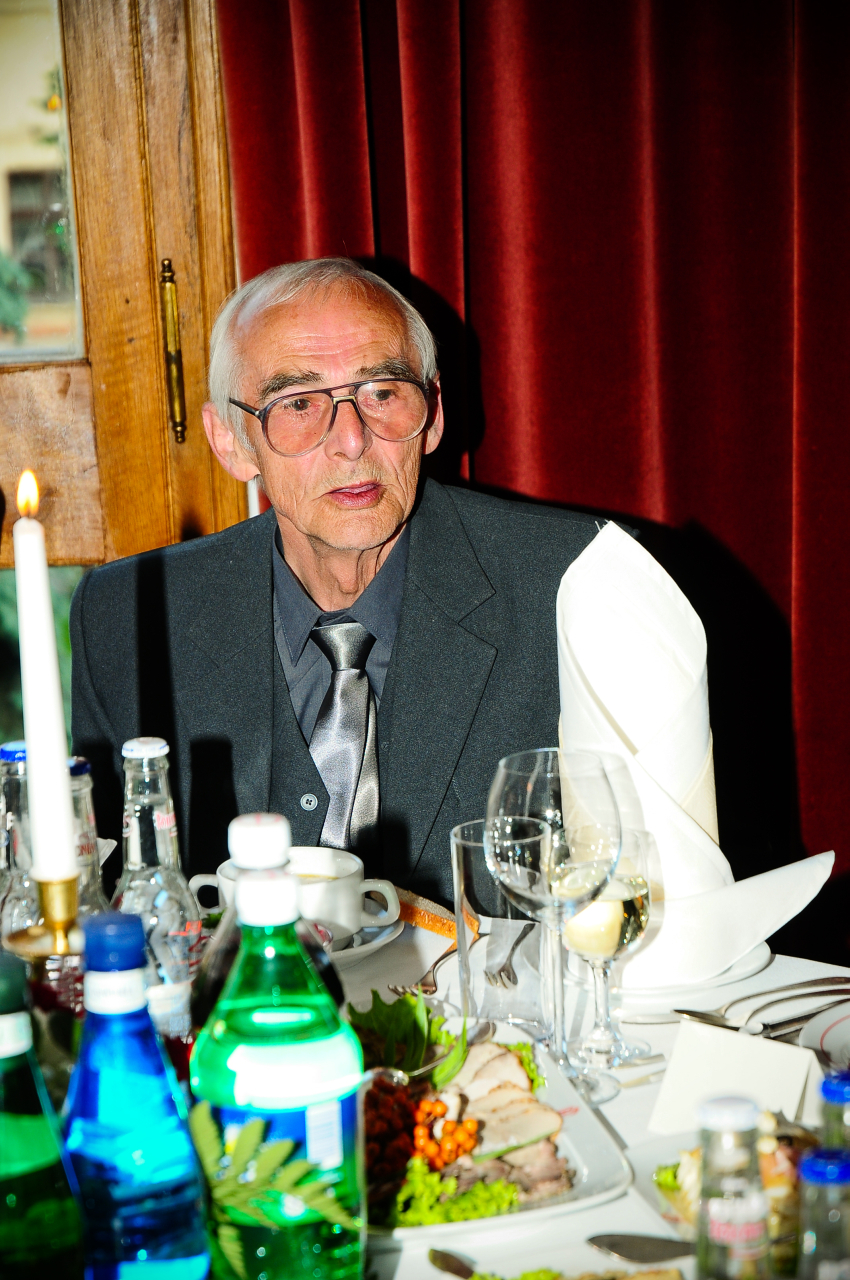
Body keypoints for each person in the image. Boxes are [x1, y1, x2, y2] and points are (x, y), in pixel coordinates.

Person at [70, 258, 605, 902]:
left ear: (433, 413)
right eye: (299, 403)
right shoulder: (127, 619)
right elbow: (108, 899)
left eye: (383, 393)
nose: (352, 439)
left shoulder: (580, 585)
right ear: (232, 441)